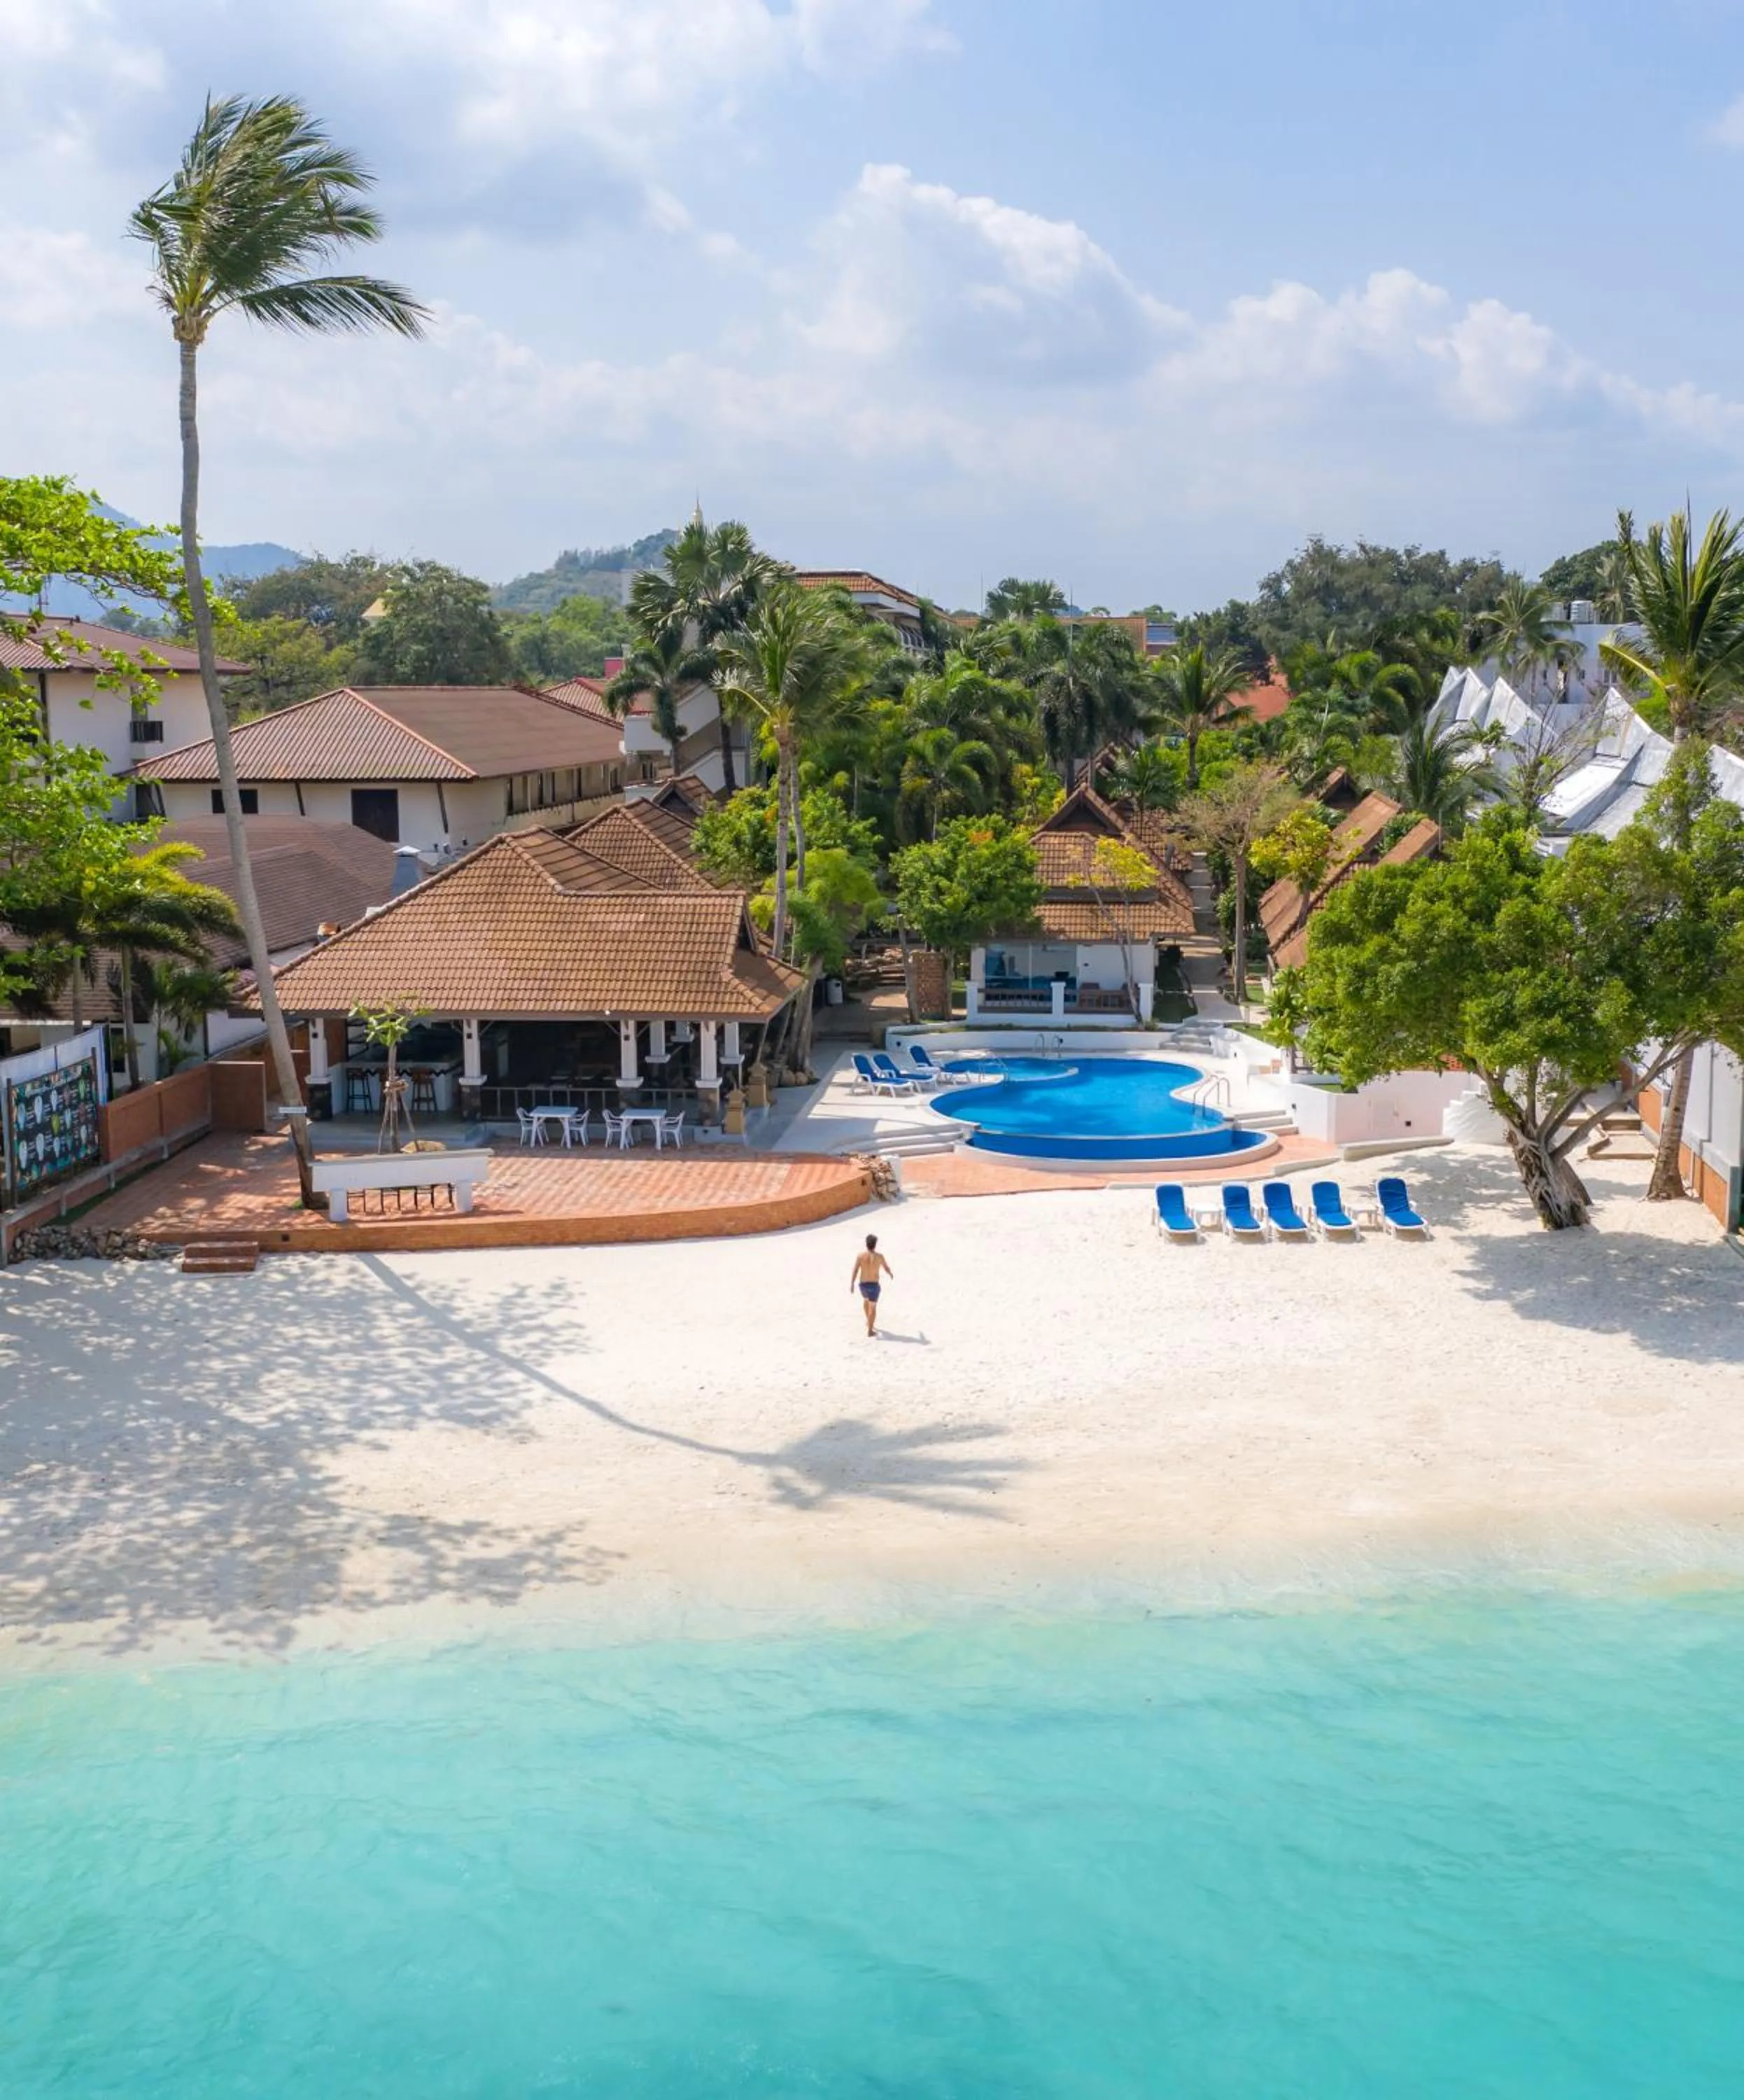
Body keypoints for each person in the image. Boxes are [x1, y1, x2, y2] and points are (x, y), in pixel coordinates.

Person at [850, 1232, 893, 1337]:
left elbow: (855, 1270)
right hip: (874, 1285)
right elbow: (886, 1268)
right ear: (875, 1244)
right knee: (873, 1306)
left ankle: (868, 1321)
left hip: (863, 1285)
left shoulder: (860, 1256)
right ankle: (870, 1330)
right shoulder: (879, 1257)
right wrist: (890, 1273)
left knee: (866, 1301)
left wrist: (852, 1283)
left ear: (866, 1244)